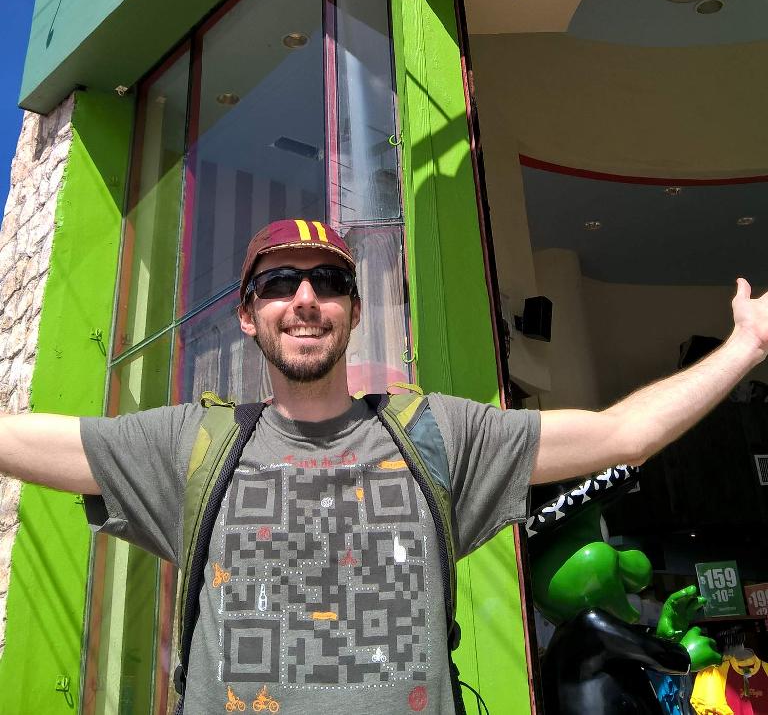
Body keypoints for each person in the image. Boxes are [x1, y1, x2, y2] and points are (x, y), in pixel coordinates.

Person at [1, 217, 767, 715]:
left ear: (354, 310)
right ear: (246, 315)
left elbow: (620, 435)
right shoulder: (194, 447)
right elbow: (50, 444)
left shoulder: (433, 434)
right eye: (278, 283)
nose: (305, 299)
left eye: (328, 282)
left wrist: (745, 348)